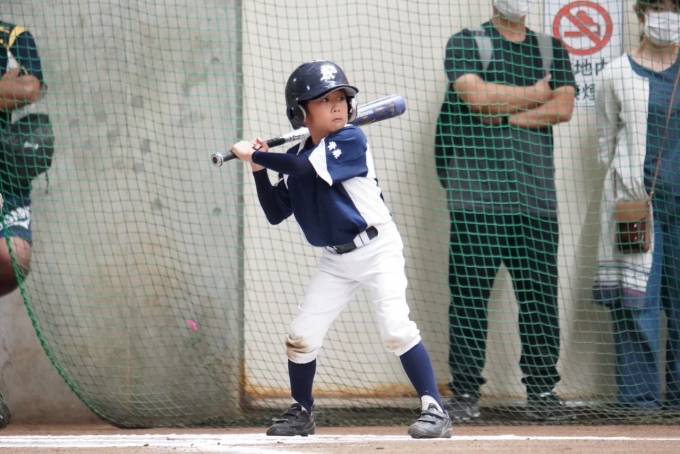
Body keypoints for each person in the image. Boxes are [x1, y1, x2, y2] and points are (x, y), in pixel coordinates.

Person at [229, 60, 452, 438]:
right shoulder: (297, 156)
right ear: (300, 112)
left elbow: (304, 169)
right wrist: (258, 169)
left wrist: (256, 155)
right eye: (323, 100)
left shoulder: (350, 140)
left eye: (341, 99)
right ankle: (301, 411)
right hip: (336, 258)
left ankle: (435, 409)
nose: (337, 106)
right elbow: (275, 212)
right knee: (301, 334)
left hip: (378, 248)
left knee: (396, 329)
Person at [434, 0, 576, 421]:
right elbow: (477, 99)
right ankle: (465, 393)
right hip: (476, 198)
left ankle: (542, 393)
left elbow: (563, 107)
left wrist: (508, 115)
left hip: (535, 199)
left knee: (540, 299)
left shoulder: (551, 49)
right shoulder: (466, 42)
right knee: (469, 299)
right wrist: (536, 94)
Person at [593, 0, 680, 412]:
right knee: (635, 304)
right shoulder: (615, 73)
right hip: (636, 207)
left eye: (675, 7)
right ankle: (639, 402)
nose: (668, 16)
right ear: (642, 13)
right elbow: (605, 144)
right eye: (659, 7)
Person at [0, 19, 46, 428]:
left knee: (12, 255)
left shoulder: (12, 35)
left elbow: (31, 88)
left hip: (5, 178)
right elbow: (14, 90)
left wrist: (17, 87)